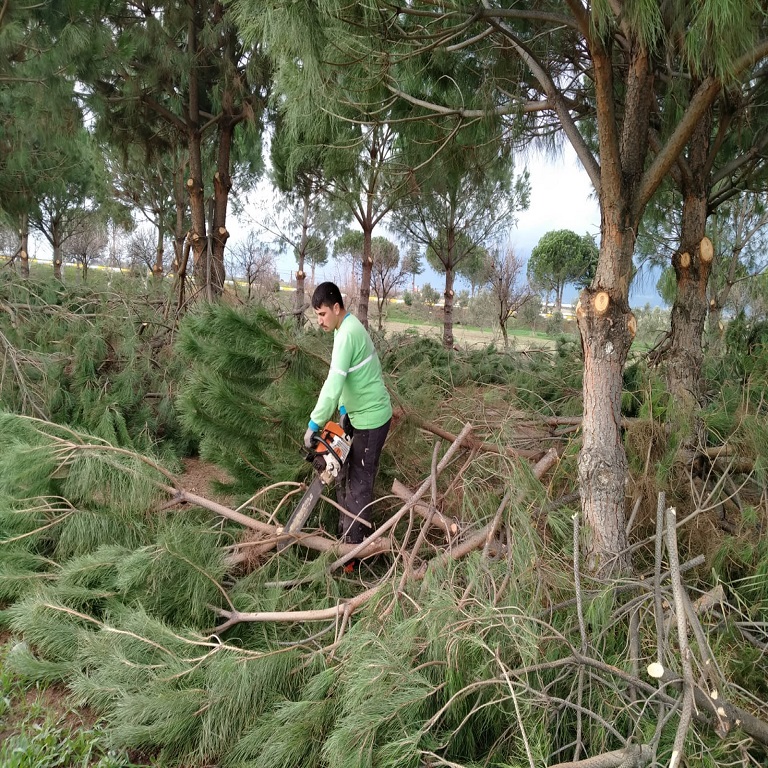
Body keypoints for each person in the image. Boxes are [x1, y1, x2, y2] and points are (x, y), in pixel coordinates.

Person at [304, 282, 392, 544]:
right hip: (359, 415)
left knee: (359, 483)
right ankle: (346, 538)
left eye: (322, 314)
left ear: (336, 307)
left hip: (372, 419)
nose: (319, 320)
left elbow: (332, 383)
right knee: (345, 475)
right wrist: (343, 409)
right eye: (316, 315)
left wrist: (314, 423)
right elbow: (344, 377)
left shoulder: (346, 333)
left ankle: (354, 553)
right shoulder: (343, 328)